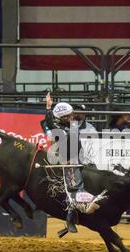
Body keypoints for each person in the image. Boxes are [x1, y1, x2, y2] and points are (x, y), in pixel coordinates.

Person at [45, 93, 105, 233]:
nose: (73, 117)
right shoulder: (59, 130)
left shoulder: (71, 125)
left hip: (81, 160)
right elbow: (49, 122)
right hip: (70, 163)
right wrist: (48, 107)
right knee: (74, 189)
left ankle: (83, 210)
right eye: (70, 115)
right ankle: (70, 218)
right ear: (64, 117)